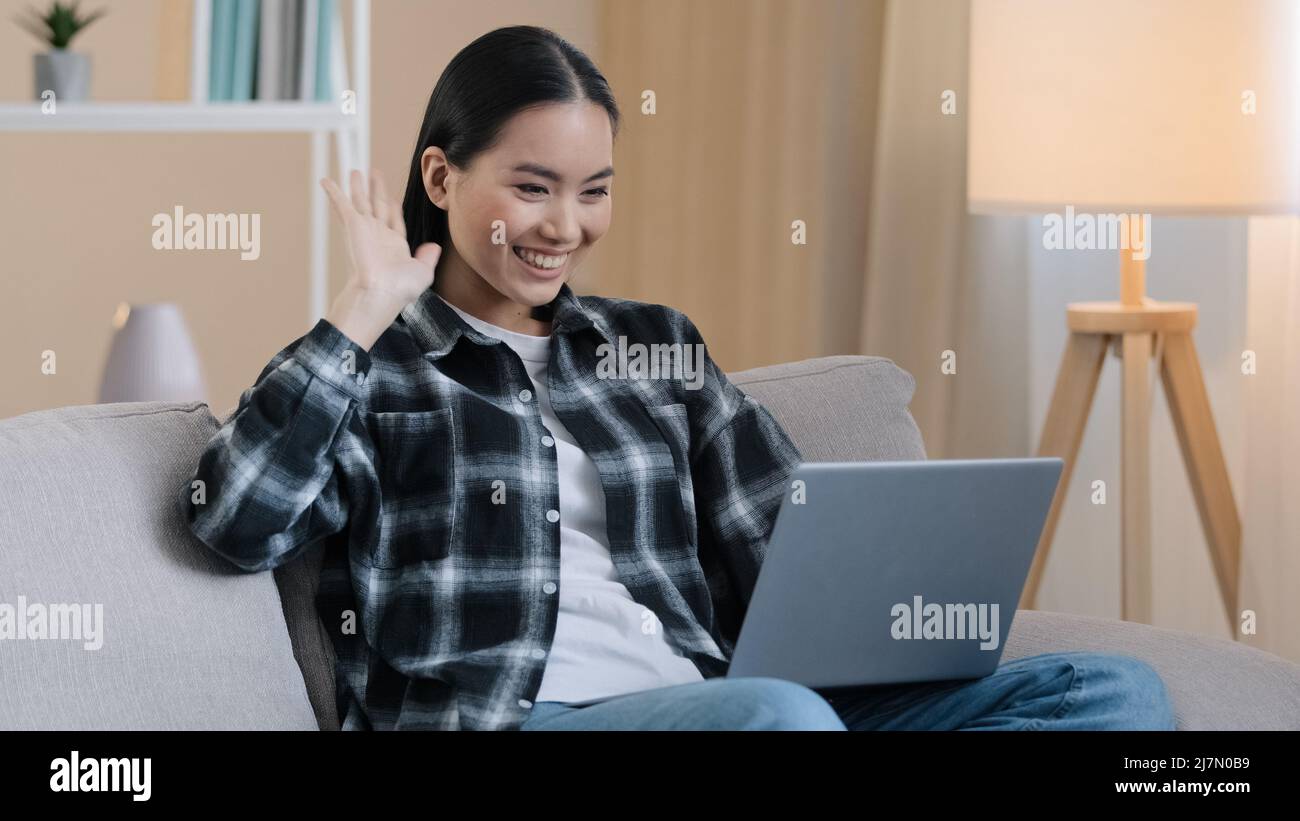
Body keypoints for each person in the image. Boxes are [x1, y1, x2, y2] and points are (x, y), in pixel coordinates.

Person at [182, 25, 1176, 731]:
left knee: (1111, 696)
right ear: (442, 180)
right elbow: (234, 520)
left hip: (723, 700)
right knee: (776, 717)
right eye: (531, 187)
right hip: (522, 716)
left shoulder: (652, 352)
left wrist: (894, 606)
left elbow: (788, 533)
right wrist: (362, 304)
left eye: (591, 191)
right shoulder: (375, 371)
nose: (564, 225)